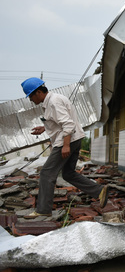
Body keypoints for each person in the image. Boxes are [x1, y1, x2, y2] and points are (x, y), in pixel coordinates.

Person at [20, 77, 108, 219]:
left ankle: (43, 210)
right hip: (75, 138)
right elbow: (60, 121)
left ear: (37, 92)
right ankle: (99, 191)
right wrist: (44, 128)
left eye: (30, 96)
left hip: (67, 140)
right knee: (68, 173)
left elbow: (68, 124)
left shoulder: (53, 102)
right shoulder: (52, 101)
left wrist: (66, 145)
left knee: (47, 173)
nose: (30, 100)